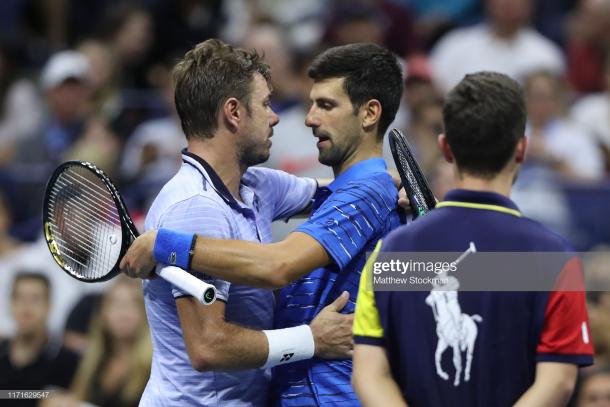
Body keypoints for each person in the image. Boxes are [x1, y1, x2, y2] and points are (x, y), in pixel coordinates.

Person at [121, 42, 404, 405]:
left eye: (326, 105)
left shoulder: (256, 186)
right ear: (234, 113)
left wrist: (393, 186)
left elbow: (332, 194)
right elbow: (208, 346)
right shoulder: (196, 207)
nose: (285, 118)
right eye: (267, 104)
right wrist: (310, 340)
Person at [351, 71, 594, 406]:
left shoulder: (390, 254)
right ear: (521, 148)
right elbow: (559, 381)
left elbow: (369, 374)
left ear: (446, 148)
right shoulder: (555, 258)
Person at [44, 277, 151, 407]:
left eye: (132, 304)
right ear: (103, 313)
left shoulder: (152, 368)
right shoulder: (92, 362)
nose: (123, 312)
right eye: (116, 304)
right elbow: (78, 398)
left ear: (145, 313)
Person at [0, 272, 80, 407]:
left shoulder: (68, 361)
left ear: (49, 306)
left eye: (35, 299)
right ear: (10, 304)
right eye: (19, 298)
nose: (26, 307)